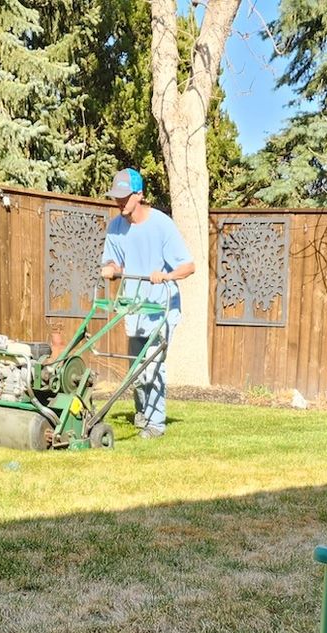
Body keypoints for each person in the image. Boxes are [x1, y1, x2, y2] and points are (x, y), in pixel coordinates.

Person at [99, 167, 195, 438]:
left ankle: (156, 423)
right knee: (136, 369)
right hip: (134, 306)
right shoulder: (116, 226)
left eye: (124, 196)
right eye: (116, 197)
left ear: (139, 195)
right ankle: (142, 413)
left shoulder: (162, 225)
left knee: (152, 365)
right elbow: (113, 260)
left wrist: (165, 275)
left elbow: (188, 266)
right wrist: (110, 267)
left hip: (161, 308)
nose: (119, 202)